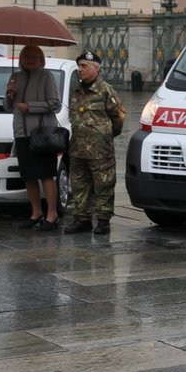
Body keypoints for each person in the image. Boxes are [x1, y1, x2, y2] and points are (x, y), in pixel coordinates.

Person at [63, 50, 126, 235]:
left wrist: (104, 136)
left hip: (100, 150)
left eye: (84, 66)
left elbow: (119, 117)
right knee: (79, 185)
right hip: (77, 148)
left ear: (96, 69)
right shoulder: (76, 90)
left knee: (103, 184)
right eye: (79, 66)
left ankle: (103, 220)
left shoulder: (106, 90)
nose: (80, 70)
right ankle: (81, 219)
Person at [5, 44, 63, 231]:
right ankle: (35, 212)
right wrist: (10, 94)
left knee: (46, 175)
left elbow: (55, 104)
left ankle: (52, 215)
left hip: (42, 135)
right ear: (21, 59)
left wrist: (30, 106)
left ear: (41, 59)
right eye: (26, 56)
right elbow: (7, 106)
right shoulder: (15, 77)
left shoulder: (47, 76)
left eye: (34, 56)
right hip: (22, 133)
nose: (30, 59)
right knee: (29, 176)